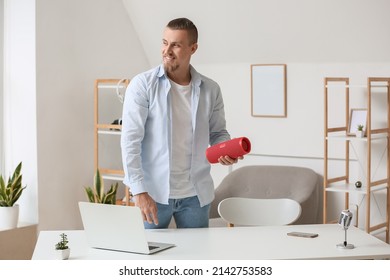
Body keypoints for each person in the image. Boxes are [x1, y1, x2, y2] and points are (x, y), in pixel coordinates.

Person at [121, 17, 241, 229]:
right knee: (150, 259)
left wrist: (226, 150)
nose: (167, 51)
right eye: (164, 42)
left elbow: (218, 133)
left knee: (197, 257)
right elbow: (130, 141)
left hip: (196, 195)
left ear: (193, 48)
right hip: (153, 194)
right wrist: (138, 192)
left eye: (175, 45)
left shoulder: (211, 89)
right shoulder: (142, 85)